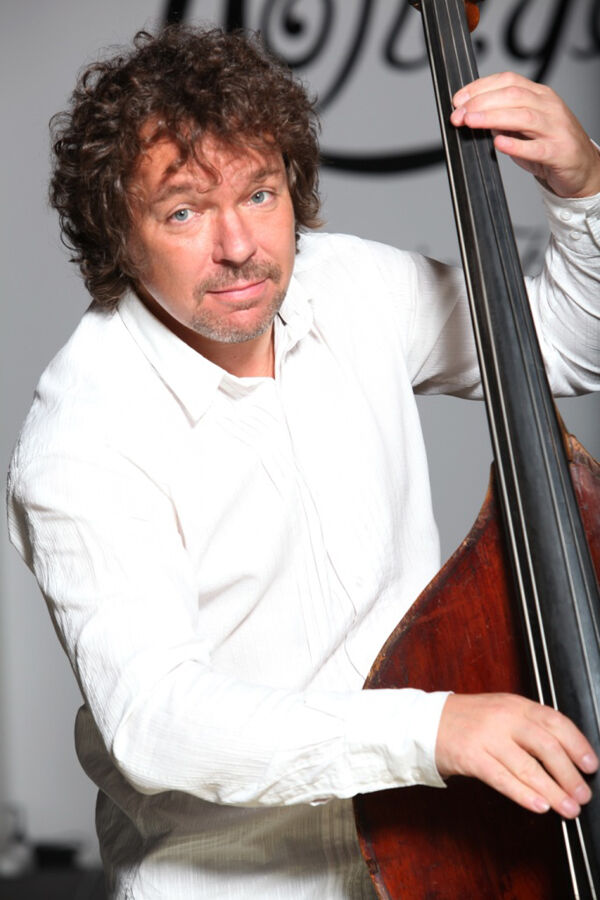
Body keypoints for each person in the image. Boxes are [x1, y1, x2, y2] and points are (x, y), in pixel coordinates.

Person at [7, 24, 600, 900]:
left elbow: (563, 349)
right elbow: (157, 719)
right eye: (184, 212)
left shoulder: (349, 286)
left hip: (434, 858)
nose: (239, 245)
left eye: (260, 193)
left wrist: (583, 190)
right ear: (116, 234)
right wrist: (432, 731)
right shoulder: (82, 436)